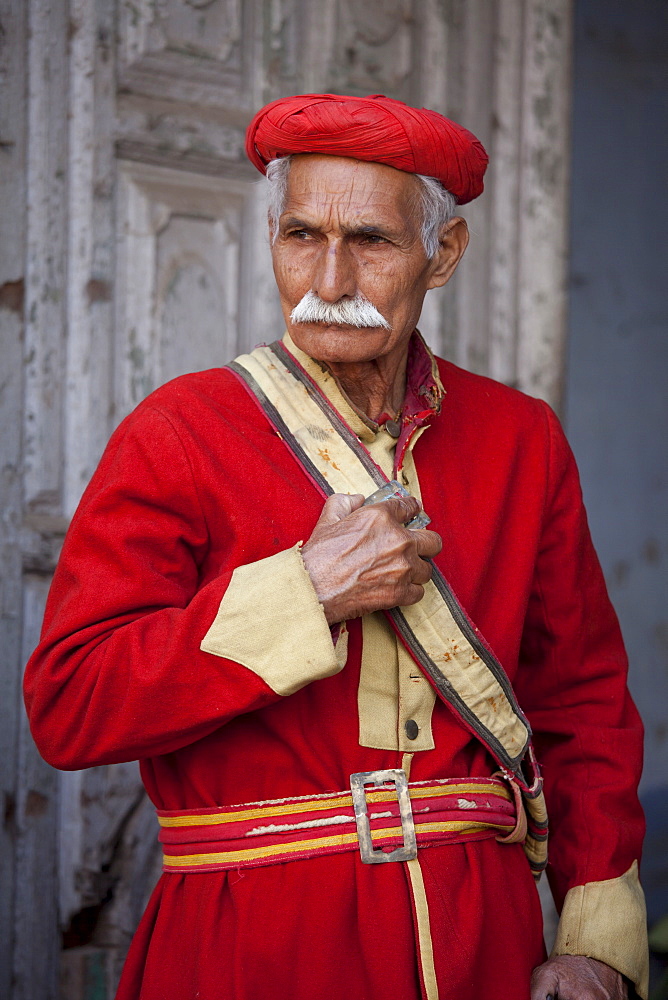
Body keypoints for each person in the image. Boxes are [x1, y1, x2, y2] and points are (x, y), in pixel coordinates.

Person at [25, 93, 648, 1000]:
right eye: (300, 235)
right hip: (253, 942)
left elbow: (581, 702)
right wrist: (305, 591)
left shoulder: (522, 438)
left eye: (371, 241)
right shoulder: (178, 431)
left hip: (487, 942)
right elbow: (71, 704)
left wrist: (595, 935)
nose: (328, 276)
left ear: (442, 253)